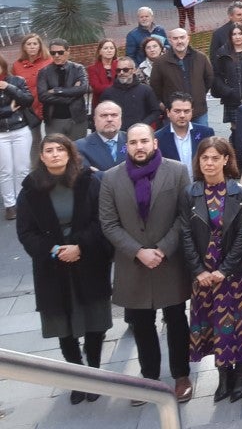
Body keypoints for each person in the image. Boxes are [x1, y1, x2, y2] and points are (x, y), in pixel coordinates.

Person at [98, 123, 194, 403]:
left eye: (144, 141)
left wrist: (162, 249)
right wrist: (138, 251)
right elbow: (108, 222)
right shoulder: (111, 178)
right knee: (141, 323)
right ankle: (150, 376)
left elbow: (184, 215)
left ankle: (181, 375)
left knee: (176, 319)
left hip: (169, 260)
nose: (139, 147)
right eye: (133, 142)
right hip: (133, 263)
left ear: (155, 143)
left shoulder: (176, 171)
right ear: (126, 146)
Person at [179, 137, 242, 402]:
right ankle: (224, 376)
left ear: (226, 160)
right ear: (198, 161)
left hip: (236, 274)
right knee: (215, 327)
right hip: (205, 276)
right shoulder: (190, 193)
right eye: (205, 158)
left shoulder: (239, 193)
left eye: (215, 158)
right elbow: (186, 234)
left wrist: (225, 269)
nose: (210, 163)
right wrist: (198, 270)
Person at [15, 134, 113, 404]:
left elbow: (101, 219)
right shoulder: (30, 189)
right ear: (42, 156)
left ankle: (93, 373)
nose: (55, 154)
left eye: (61, 149)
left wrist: (79, 246)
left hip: (89, 259)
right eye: (49, 150)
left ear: (70, 153)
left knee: (95, 320)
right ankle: (76, 377)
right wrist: (55, 250)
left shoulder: (88, 181)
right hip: (52, 266)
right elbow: (25, 231)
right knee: (63, 325)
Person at [148, 28, 216, 125]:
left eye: (182, 37)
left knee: (202, 139)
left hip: (198, 111)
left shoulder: (201, 58)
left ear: (188, 39)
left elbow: (209, 78)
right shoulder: (160, 62)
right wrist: (164, 103)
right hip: (174, 113)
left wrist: (198, 94)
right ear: (170, 40)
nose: (179, 41)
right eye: (175, 38)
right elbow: (155, 86)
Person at [0, 55, 36, 220]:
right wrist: (9, 110)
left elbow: (27, 100)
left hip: (20, 129)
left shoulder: (16, 81)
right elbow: (13, 107)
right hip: (1, 133)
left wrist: (8, 87)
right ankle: (9, 205)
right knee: (5, 170)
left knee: (22, 168)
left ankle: (22, 201)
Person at [37, 39, 90, 140]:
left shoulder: (78, 68)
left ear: (67, 51)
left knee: (78, 151)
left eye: (60, 52)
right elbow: (42, 96)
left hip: (76, 119)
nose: (56, 55)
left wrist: (57, 91)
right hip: (54, 120)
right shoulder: (44, 72)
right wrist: (72, 93)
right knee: (56, 152)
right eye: (53, 53)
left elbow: (83, 89)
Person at [99, 58, 161, 130]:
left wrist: (142, 125)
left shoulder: (146, 90)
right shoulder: (108, 92)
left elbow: (156, 111)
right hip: (116, 134)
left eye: (125, 70)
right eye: (118, 70)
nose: (121, 73)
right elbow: (101, 113)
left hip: (139, 133)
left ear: (134, 70)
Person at [155, 94, 215, 168]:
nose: (182, 115)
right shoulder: (158, 138)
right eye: (177, 111)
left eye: (186, 111)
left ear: (192, 112)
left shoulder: (206, 133)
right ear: (168, 112)